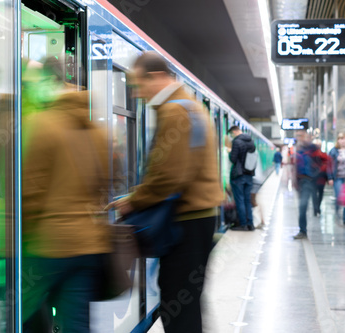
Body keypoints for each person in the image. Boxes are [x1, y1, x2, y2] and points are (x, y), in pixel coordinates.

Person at [109, 51, 223, 333]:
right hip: (198, 219)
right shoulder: (190, 106)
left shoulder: (175, 110)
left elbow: (168, 176)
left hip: (186, 222)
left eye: (138, 85)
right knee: (186, 300)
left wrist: (132, 202)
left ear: (157, 77)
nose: (136, 94)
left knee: (177, 301)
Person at [21, 57, 111, 332]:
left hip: (49, 245)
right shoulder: (94, 129)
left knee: (20, 313)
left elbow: (30, 192)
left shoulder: (40, 124)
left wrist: (22, 235)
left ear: (49, 81)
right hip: (88, 246)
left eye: (31, 84)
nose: (28, 90)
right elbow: (106, 182)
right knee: (76, 324)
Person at [293, 130, 323, 239]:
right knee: (303, 206)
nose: (301, 138)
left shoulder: (314, 149)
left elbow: (321, 163)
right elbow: (295, 166)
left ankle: (303, 230)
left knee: (302, 205)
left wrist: (315, 176)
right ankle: (303, 230)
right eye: (299, 136)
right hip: (301, 181)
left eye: (302, 136)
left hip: (309, 180)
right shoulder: (298, 149)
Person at [228, 125, 256, 231]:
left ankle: (243, 224)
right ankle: (250, 224)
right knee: (247, 200)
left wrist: (229, 152)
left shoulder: (237, 142)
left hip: (239, 175)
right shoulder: (251, 141)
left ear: (234, 132)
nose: (231, 136)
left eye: (231, 134)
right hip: (249, 174)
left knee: (240, 200)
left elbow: (233, 159)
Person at [328, 133, 345, 227]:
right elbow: (329, 165)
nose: (343, 141)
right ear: (338, 140)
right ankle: (337, 215)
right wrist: (330, 177)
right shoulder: (333, 151)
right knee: (339, 197)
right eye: (341, 139)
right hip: (338, 177)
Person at [311, 139, 330, 218]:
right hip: (316, 177)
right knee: (316, 194)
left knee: (318, 193)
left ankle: (317, 208)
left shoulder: (322, 155)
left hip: (320, 177)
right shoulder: (314, 155)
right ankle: (316, 208)